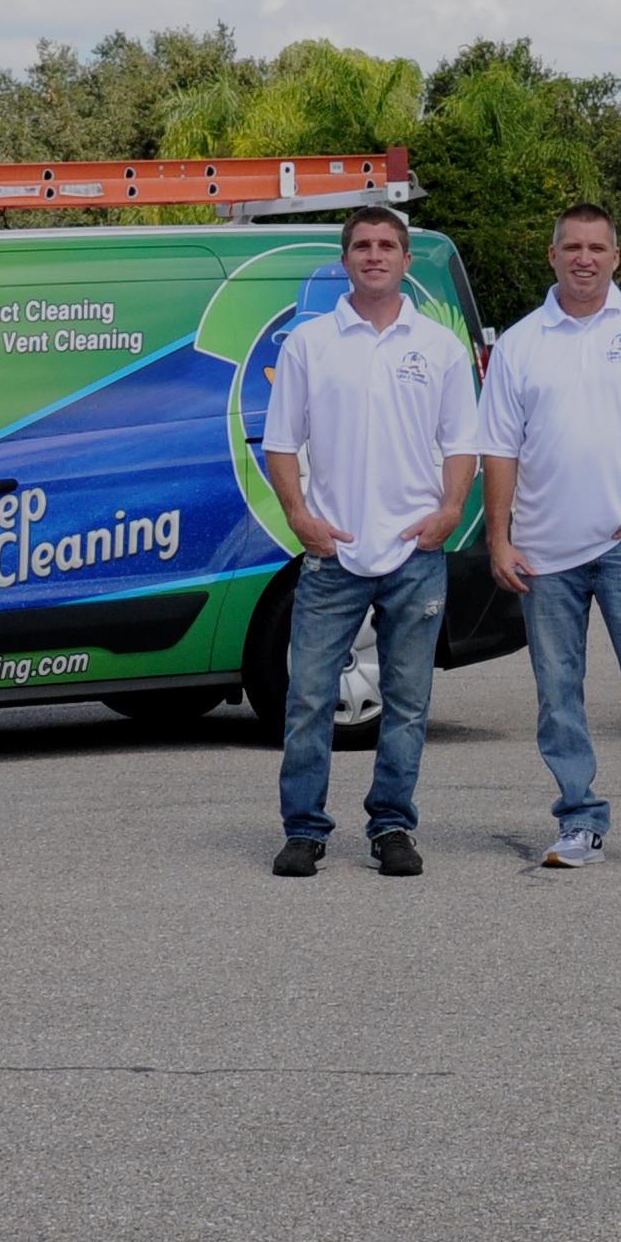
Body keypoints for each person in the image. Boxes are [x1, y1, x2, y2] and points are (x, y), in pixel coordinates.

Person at [476, 204, 621, 873]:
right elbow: (498, 450)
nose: (584, 258)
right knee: (558, 696)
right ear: (551, 256)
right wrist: (500, 538)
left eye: (597, 247)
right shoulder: (522, 343)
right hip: (545, 553)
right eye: (572, 247)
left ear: (617, 257)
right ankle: (578, 820)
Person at [257, 205, 478, 877]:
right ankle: (304, 830)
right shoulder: (309, 343)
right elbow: (280, 442)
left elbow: (462, 442)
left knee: (408, 703)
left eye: (387, 245)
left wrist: (449, 512)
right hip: (333, 555)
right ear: (344, 260)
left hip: (416, 552)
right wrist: (300, 517)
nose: (374, 254)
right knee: (307, 699)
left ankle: (391, 827)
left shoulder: (437, 346)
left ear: (406, 262)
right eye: (362, 245)